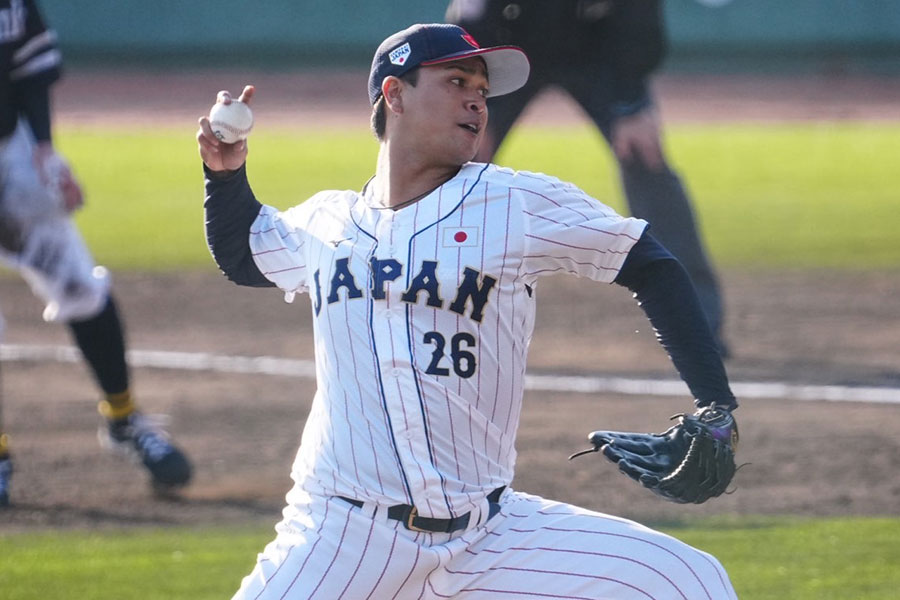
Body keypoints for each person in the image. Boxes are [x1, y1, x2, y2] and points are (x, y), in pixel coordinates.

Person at [198, 23, 739, 599]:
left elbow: (650, 263)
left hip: (490, 534)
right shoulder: (327, 222)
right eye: (456, 81)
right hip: (342, 535)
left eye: (482, 88)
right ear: (395, 95)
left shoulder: (513, 202)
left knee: (688, 580)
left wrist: (716, 406)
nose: (477, 100)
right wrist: (225, 174)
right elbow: (246, 253)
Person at [447, 0, 729, 355]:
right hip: (508, 46)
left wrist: (631, 104)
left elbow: (638, 22)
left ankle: (695, 326)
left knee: (644, 155)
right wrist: (472, 105)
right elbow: (472, 21)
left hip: (598, 48)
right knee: (459, 157)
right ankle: (428, 302)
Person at [0, 0, 191, 507]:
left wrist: (43, 148)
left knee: (82, 288)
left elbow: (29, 66)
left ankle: (125, 420)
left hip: (11, 151)